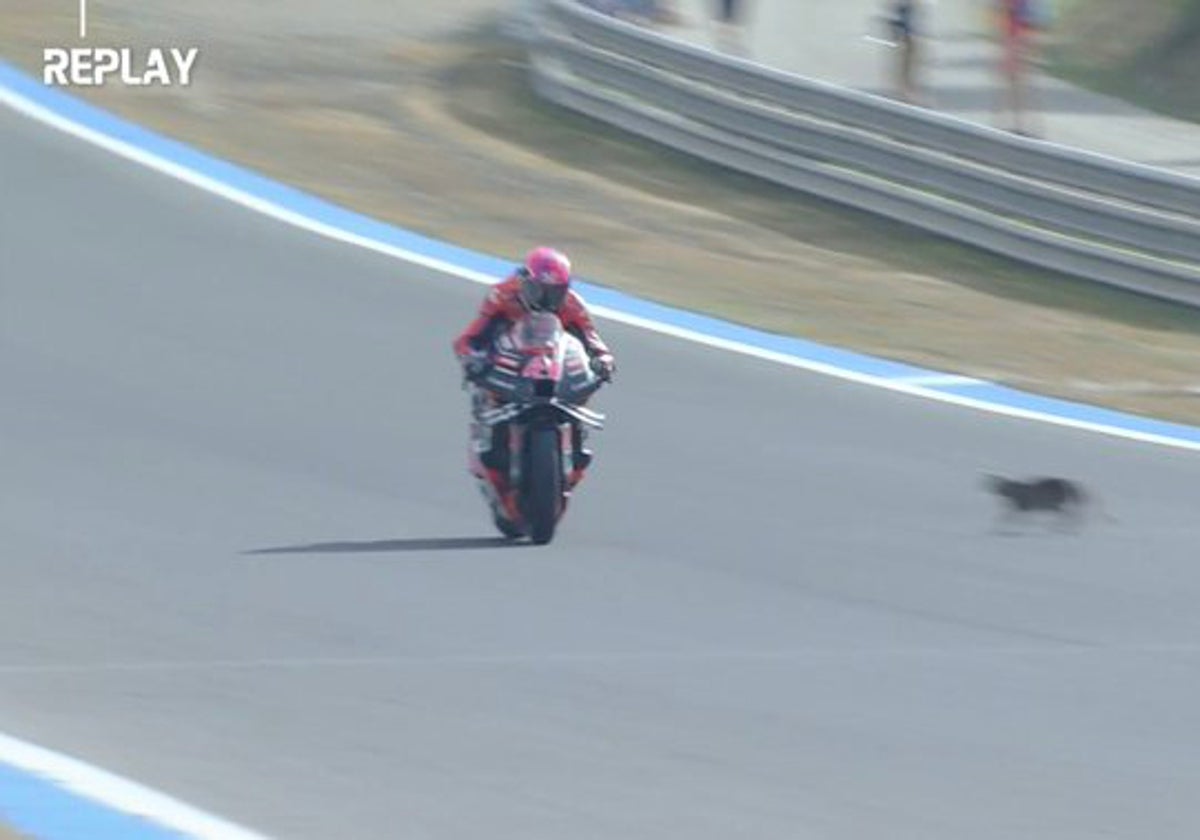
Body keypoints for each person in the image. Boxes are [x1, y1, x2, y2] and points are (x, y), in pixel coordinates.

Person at [453, 247, 615, 507]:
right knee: (486, 393)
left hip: (553, 366)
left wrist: (603, 361)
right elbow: (469, 338)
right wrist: (473, 359)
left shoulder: (572, 304)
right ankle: (490, 446)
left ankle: (576, 446)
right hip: (509, 363)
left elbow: (594, 342)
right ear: (524, 282)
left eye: (555, 293)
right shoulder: (502, 295)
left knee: (581, 394)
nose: (546, 300)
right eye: (539, 291)